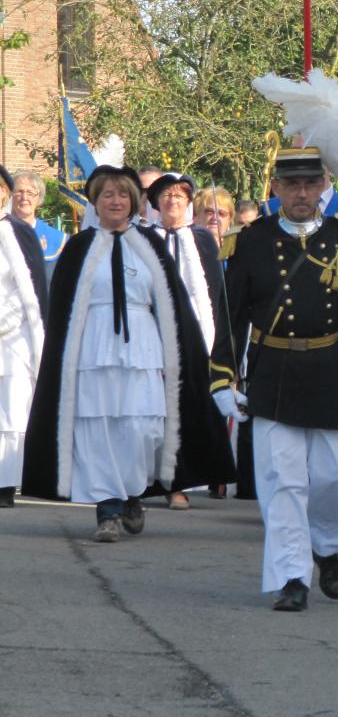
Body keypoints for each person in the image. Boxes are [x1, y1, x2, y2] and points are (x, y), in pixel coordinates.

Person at [210, 71, 338, 612]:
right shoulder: (248, 242)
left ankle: (328, 547)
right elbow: (231, 320)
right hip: (275, 374)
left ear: (323, 184)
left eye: (311, 184)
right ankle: (291, 576)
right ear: (277, 190)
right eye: (292, 186)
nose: (303, 194)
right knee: (282, 482)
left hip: (332, 370)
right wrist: (223, 378)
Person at [22, 165, 234, 541]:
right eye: (107, 195)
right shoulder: (79, 247)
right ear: (96, 202)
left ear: (134, 202)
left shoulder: (150, 246)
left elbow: (172, 307)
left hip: (143, 348)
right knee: (99, 428)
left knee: (141, 429)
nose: (115, 201)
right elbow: (64, 310)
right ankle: (108, 510)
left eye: (122, 195)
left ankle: (134, 492)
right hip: (93, 350)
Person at [145, 172, 225, 510]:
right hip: (155, 333)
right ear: (156, 203)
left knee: (189, 406)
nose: (173, 201)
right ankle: (157, 480)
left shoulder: (203, 240)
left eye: (179, 196)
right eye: (166, 196)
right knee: (156, 409)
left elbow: (216, 292)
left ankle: (184, 480)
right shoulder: (145, 238)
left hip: (197, 334)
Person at [0, 165, 49, 507]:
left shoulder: (18, 233)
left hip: (11, 338)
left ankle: (6, 482)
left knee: (12, 410)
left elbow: (29, 289)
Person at [8, 171, 67, 273]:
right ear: (10, 196)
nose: (24, 198)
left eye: (30, 193)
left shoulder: (58, 240)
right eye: (19, 191)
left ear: (39, 199)